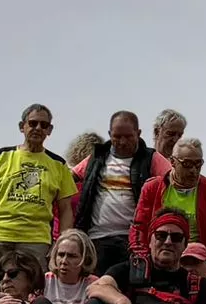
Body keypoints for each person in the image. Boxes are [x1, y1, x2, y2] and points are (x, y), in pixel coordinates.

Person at [0, 104, 75, 266]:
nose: (38, 128)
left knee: (32, 289)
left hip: (36, 241)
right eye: (32, 123)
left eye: (43, 125)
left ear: (49, 130)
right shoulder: (1, 156)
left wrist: (61, 242)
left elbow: (66, 208)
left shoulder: (58, 164)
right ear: (22, 126)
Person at [71, 111, 168, 273]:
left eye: (128, 137)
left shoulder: (151, 158)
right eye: (117, 137)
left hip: (133, 241)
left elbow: (173, 180)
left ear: (138, 133)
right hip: (97, 238)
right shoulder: (97, 158)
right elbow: (69, 177)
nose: (122, 142)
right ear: (109, 134)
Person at [129, 137, 206, 280]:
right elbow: (139, 230)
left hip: (196, 265)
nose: (193, 171)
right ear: (172, 162)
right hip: (158, 263)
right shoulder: (152, 188)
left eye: (198, 164)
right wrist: (144, 264)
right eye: (187, 164)